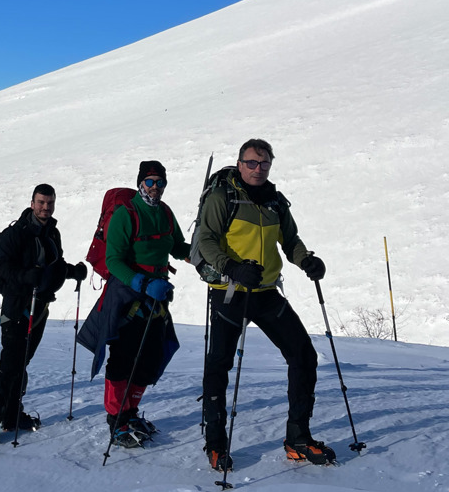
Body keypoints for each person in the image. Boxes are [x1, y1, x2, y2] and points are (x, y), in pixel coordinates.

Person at [197, 138, 333, 469]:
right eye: (252, 163)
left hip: (266, 291)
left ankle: (298, 437)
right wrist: (232, 268)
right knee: (219, 365)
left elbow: (290, 240)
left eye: (264, 164)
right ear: (240, 163)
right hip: (230, 291)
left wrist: (306, 260)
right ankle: (215, 444)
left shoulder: (274, 201)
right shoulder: (221, 198)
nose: (258, 169)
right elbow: (205, 240)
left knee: (303, 355)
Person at [78, 161, 191, 448]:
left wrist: (197, 253)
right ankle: (116, 420)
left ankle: (130, 413)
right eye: (150, 182)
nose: (155, 188)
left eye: (160, 182)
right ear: (140, 183)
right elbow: (114, 260)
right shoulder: (126, 214)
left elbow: (176, 246)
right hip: (128, 293)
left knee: (149, 356)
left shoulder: (165, 213)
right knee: (124, 356)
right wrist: (141, 283)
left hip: (157, 295)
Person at [0, 184, 87, 445]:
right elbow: (3, 269)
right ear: (31, 203)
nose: (45, 207)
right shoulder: (15, 234)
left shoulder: (52, 233)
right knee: (10, 366)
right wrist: (27, 276)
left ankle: (13, 416)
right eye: (41, 202)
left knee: (21, 364)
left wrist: (74, 272)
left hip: (39, 309)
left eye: (49, 203)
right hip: (17, 308)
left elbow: (54, 267)